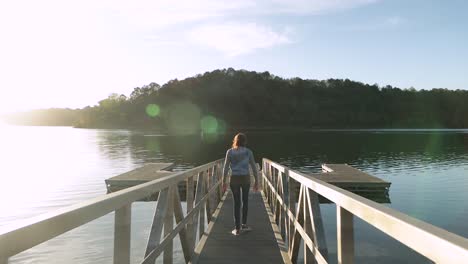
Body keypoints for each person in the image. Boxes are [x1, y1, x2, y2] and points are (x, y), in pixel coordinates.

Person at [222, 132, 259, 236]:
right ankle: (244, 224)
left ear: (235, 141)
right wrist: (257, 181)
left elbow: (225, 168)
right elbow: (254, 167)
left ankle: (237, 229)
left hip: (234, 179)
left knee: (237, 203)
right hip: (245, 178)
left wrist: (223, 182)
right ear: (244, 141)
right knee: (245, 201)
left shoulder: (229, 152)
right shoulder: (248, 152)